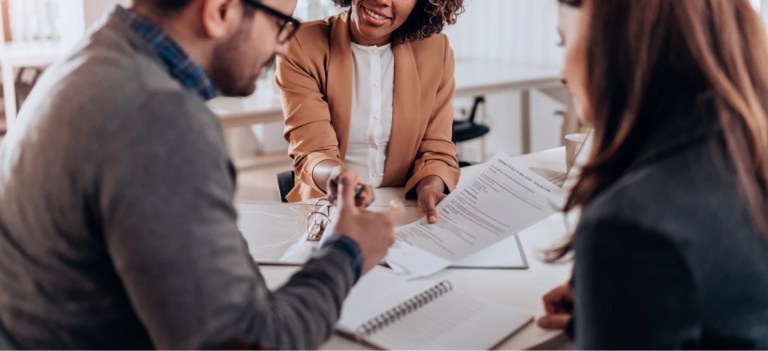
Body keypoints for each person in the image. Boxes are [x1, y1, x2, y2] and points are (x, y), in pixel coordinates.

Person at [0, 0, 404, 348]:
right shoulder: (158, 117)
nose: (282, 47)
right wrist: (346, 252)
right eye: (281, 25)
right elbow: (246, 342)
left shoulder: (94, 58)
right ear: (219, 11)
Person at [537, 0, 768, 348]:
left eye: (563, 42)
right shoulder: (745, 154)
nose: (562, 74)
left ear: (615, 45)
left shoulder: (629, 225)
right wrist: (621, 317)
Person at [276, 0, 464, 224]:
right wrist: (340, 180)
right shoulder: (301, 44)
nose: (382, 0)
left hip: (407, 211)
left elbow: (436, 149)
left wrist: (431, 186)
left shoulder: (436, 50)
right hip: (328, 208)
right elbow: (312, 152)